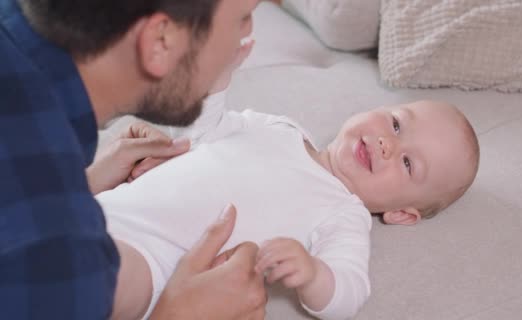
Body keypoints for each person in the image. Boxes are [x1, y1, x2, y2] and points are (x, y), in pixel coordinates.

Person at [96, 51, 480, 319]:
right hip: (105, 206)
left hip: (155, 263)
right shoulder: (281, 128)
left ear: (399, 213)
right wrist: (217, 79)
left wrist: (314, 274)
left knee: (91, 279)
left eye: (408, 163)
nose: (387, 144)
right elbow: (204, 132)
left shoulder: (342, 213)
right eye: (396, 124)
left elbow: (349, 291)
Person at [0, 0, 267, 319]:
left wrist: (76, 181)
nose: (248, 30)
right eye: (244, 17)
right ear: (161, 41)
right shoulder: (56, 257)